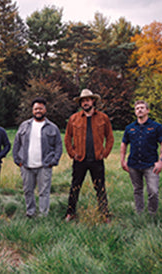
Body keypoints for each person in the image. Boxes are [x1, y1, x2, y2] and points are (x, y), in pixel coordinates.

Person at [64, 89, 114, 223]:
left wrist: (105, 153)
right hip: (80, 159)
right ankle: (70, 213)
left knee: (100, 187)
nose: (85, 103)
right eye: (82, 101)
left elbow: (110, 137)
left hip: (97, 159)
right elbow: (67, 138)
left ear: (93, 101)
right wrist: (72, 153)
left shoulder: (103, 118)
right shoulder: (74, 118)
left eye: (87, 100)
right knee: (75, 186)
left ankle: (104, 214)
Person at [13, 97, 63, 218]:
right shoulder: (25, 125)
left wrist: (54, 161)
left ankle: (43, 214)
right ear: (32, 110)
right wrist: (17, 160)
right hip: (26, 165)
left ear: (45, 110)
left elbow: (58, 145)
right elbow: (17, 143)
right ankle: (30, 212)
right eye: (35, 109)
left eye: (40, 108)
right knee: (28, 191)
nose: (38, 111)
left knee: (44, 192)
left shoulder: (52, 127)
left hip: (44, 166)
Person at [120, 100, 162, 216]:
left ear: (148, 110)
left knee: (153, 191)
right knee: (137, 190)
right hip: (134, 164)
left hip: (151, 165)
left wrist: (160, 161)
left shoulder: (156, 127)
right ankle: (139, 213)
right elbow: (124, 143)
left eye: (142, 107)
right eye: (137, 108)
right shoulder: (129, 128)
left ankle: (152, 214)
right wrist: (122, 160)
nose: (139, 110)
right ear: (135, 112)